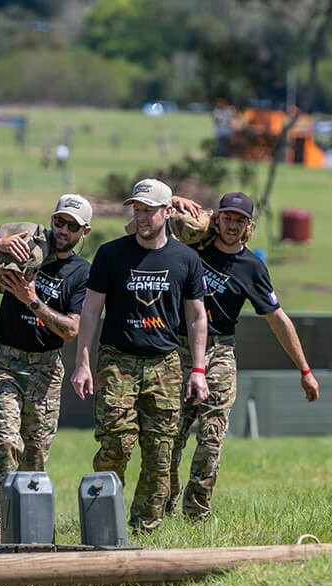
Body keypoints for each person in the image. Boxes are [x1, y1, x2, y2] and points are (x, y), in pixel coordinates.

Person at [167, 192, 320, 519]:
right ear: (217, 218)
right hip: (178, 347)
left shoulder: (252, 267)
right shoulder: (193, 246)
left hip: (219, 351)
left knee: (211, 437)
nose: (232, 225)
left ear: (249, 225)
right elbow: (143, 223)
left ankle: (196, 513)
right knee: (169, 435)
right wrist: (172, 199)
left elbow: (278, 320)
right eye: (227, 218)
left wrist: (305, 370)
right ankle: (162, 506)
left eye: (240, 220)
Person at [70, 178, 210, 533]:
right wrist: (83, 363)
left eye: (149, 211)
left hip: (165, 365)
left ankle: (145, 529)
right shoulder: (111, 254)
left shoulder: (186, 259)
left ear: (167, 212)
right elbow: (90, 311)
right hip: (118, 362)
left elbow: (196, 317)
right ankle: (102, 523)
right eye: (137, 210)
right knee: (115, 445)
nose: (142, 217)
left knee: (160, 453)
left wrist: (198, 369)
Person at [0, 194, 93, 544]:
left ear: (84, 232)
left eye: (71, 226)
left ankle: (29, 524)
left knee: (36, 453)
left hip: (46, 368)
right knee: (5, 440)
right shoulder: (28, 245)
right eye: (59, 222)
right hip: (8, 361)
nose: (62, 230)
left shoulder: (80, 272)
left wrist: (31, 300)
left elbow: (71, 329)